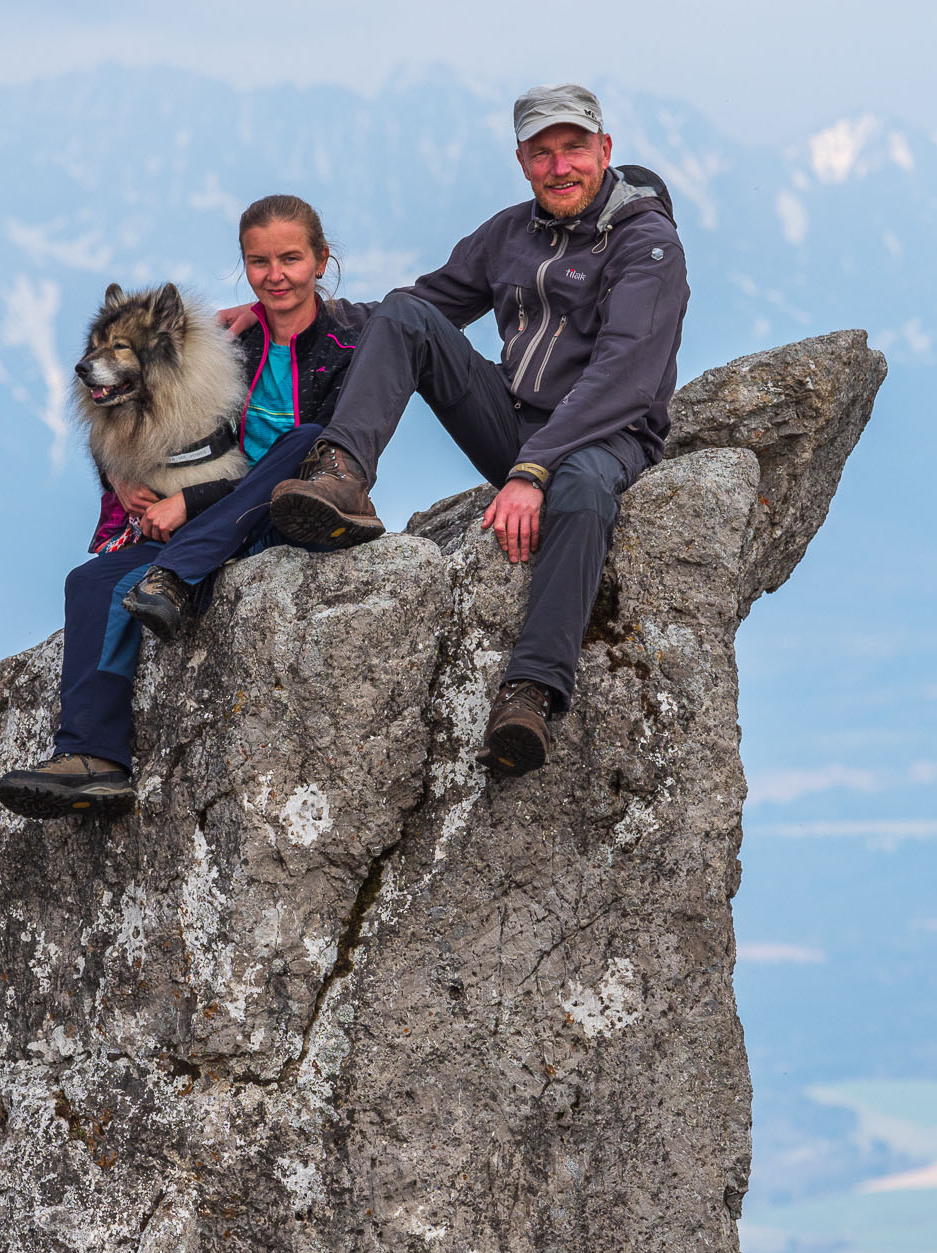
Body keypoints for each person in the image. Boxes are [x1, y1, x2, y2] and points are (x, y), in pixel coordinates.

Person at [264, 84, 689, 777]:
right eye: (542, 153)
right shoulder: (508, 233)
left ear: (605, 150)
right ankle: (340, 474)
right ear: (522, 160)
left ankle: (530, 694)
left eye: (574, 149)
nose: (560, 167)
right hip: (515, 421)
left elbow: (624, 379)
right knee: (404, 314)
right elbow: (417, 312)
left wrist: (533, 471)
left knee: (580, 490)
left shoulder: (648, 246)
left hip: (608, 435)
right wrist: (290, 309)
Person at [0, 195, 365, 819]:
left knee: (305, 444)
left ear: (322, 261)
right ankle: (93, 758)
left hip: (282, 514)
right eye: (258, 261)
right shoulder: (228, 344)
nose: (275, 274)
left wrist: (190, 502)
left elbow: (320, 456)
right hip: (192, 528)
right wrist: (117, 476)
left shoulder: (348, 344)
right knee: (91, 584)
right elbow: (150, 433)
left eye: (290, 259)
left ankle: (175, 571)